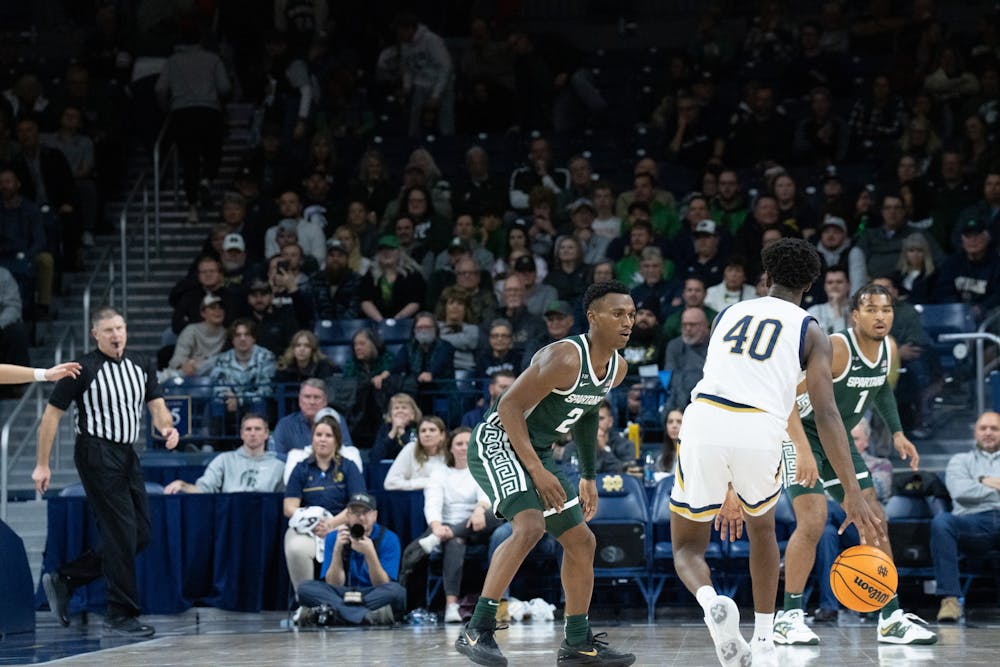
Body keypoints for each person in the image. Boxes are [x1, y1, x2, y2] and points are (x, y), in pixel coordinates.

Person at [668, 239, 881, 667]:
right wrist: (853, 491)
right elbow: (826, 414)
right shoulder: (812, 329)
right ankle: (765, 639)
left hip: (704, 419)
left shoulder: (727, 314)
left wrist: (725, 485)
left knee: (687, 548)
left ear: (765, 277)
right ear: (810, 284)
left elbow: (725, 379)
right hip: (760, 430)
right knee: (762, 531)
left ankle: (711, 603)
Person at [458, 281, 636, 666]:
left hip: (536, 450)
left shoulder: (617, 368)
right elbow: (507, 408)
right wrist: (537, 470)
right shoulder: (565, 357)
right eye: (618, 313)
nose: (628, 322)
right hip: (498, 441)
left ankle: (576, 642)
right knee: (530, 525)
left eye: (632, 315)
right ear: (593, 318)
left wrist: (588, 474)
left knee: (581, 542)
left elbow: (587, 412)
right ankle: (478, 627)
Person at [775, 282, 936, 647]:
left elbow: (879, 388)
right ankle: (789, 616)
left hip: (838, 438)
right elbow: (783, 394)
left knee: (874, 518)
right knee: (814, 520)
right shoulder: (837, 349)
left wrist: (897, 433)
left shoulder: (888, 349)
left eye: (886, 309)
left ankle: (890, 617)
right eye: (871, 309)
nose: (880, 316)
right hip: (800, 433)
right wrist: (800, 448)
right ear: (855, 315)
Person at [36, 307, 179, 637]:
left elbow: (157, 407)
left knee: (140, 534)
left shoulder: (141, 364)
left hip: (128, 454)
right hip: (96, 452)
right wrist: (42, 464)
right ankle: (120, 612)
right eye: (109, 330)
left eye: (120, 328)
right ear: (95, 335)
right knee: (120, 533)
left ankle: (67, 578)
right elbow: (51, 416)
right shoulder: (81, 369)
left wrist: (168, 429)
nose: (116, 335)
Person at [406, 427, 501, 623]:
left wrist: (479, 509)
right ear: (450, 448)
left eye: (468, 444)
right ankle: (451, 605)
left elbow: (487, 496)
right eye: (459, 444)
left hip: (478, 524)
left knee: (500, 513)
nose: (464, 448)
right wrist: (437, 526)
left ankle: (440, 538)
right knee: (455, 541)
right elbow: (432, 502)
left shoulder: (481, 468)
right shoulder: (440, 473)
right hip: (447, 524)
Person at [296, 492, 405, 626]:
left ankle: (335, 614)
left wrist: (370, 553)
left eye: (366, 512)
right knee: (304, 588)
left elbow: (383, 584)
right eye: (355, 512)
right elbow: (333, 583)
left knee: (397, 592)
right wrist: (337, 550)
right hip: (341, 593)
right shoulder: (334, 537)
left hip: (371, 593)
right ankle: (366, 616)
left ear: (375, 515)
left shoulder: (389, 538)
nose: (360, 517)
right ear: (347, 515)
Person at [283, 416, 365, 595]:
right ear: (312, 438)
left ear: (336, 440)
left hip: (340, 525)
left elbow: (357, 505)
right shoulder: (301, 468)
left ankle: (336, 601)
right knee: (296, 548)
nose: (322, 439)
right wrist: (313, 521)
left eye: (328, 435)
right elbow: (289, 507)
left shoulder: (349, 467)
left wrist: (331, 524)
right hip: (308, 527)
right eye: (318, 434)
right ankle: (305, 601)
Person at [932, 410, 1000, 622]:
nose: (988, 432)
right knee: (942, 522)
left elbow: (969, 489)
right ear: (975, 433)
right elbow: (960, 492)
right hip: (972, 523)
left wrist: (980, 482)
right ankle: (950, 601)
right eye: (983, 428)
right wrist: (991, 484)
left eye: (994, 428)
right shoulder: (960, 461)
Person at [163, 413, 285, 494]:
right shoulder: (224, 460)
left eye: (257, 429)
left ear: (266, 434)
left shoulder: (279, 466)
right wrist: (184, 485)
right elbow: (204, 489)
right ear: (242, 434)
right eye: (248, 429)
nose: (253, 433)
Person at [271, 378, 353, 458]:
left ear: (325, 401)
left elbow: (346, 453)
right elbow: (277, 457)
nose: (312, 402)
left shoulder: (337, 421)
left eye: (316, 397)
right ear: (300, 400)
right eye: (307, 397)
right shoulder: (285, 425)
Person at [383, 416, 448, 490]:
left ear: (442, 435)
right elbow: (390, 483)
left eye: (432, 430)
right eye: (423, 431)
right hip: (416, 497)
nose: (427, 434)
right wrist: (424, 483)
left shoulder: (451, 451)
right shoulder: (410, 449)